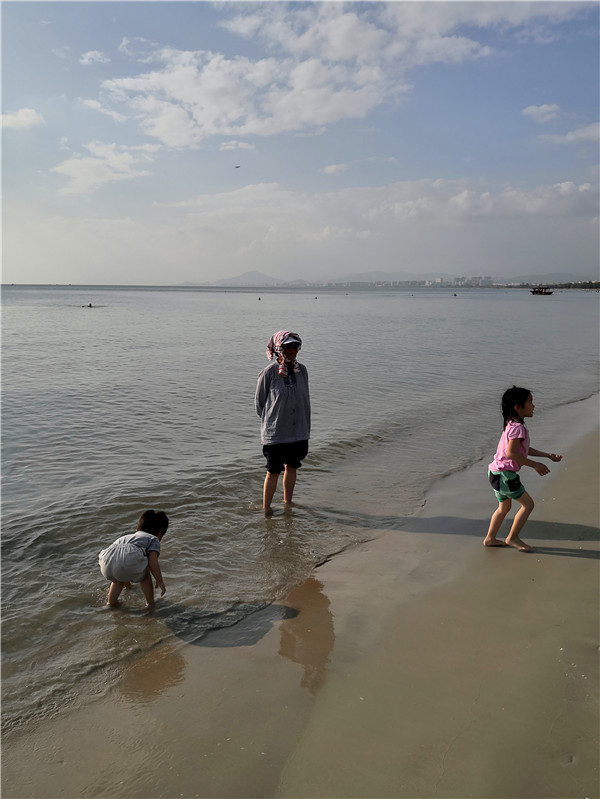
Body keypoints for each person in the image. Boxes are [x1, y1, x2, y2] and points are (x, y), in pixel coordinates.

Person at [484, 387, 562, 552]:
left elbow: (522, 450)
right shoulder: (518, 428)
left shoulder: (511, 424)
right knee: (528, 505)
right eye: (530, 402)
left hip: (495, 473)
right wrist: (535, 465)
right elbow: (511, 453)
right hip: (506, 476)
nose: (533, 406)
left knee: (504, 508)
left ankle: (490, 538)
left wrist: (547, 455)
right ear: (518, 407)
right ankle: (512, 537)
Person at [255, 331, 311, 513]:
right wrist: (272, 422)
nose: (292, 350)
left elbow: (305, 398)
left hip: (298, 430)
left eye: (295, 346)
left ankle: (288, 505)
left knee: (292, 467)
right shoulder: (269, 373)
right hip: (276, 433)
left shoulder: (301, 371)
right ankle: (266, 510)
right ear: (279, 349)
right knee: (273, 472)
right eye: (288, 347)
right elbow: (260, 403)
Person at [99, 509, 169, 608]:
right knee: (145, 573)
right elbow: (152, 564)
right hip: (127, 557)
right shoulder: (153, 539)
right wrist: (160, 581)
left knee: (118, 578)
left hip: (107, 558)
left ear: (138, 529)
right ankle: (150, 603)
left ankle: (110, 603)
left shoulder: (127, 537)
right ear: (159, 533)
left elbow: (122, 559)